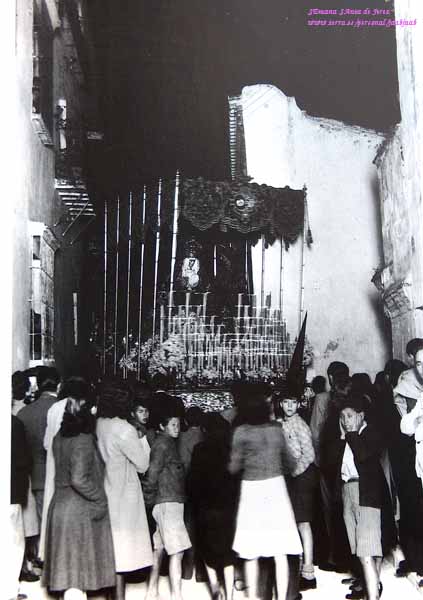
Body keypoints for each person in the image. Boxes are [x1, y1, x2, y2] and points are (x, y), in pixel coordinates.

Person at [42, 377, 116, 599]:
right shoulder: (83, 439)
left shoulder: (59, 437)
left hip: (60, 507)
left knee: (70, 579)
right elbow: (79, 479)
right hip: (77, 512)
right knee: (76, 579)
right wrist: (100, 499)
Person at [228, 386, 302, 600]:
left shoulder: (241, 432)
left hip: (252, 490)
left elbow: (233, 468)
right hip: (276, 490)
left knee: (251, 552)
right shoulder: (276, 429)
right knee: (280, 551)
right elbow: (290, 462)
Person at [322, 394, 386, 600]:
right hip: (348, 492)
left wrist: (351, 434)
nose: (345, 420)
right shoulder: (346, 436)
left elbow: (364, 456)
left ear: (361, 415)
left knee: (368, 549)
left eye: (349, 415)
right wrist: (343, 436)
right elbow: (331, 462)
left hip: (367, 495)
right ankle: (370, 589)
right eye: (342, 416)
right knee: (359, 548)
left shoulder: (370, 433)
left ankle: (373, 595)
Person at [96, 380, 153, 600]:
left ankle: (111, 594)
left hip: (105, 488)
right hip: (124, 494)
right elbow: (143, 464)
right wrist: (143, 440)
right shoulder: (126, 429)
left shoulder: (99, 423)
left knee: (111, 546)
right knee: (123, 552)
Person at [188, 413, 238, 600]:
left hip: (206, 509)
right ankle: (230, 595)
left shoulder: (199, 449)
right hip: (227, 507)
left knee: (207, 550)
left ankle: (216, 589)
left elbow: (192, 482)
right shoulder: (231, 450)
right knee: (228, 552)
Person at [144, 410, 192, 600]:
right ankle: (176, 596)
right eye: (173, 424)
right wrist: (149, 499)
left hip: (165, 501)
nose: (177, 429)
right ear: (162, 426)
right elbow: (152, 474)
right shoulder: (163, 444)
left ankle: (151, 591)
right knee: (178, 551)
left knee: (160, 548)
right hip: (168, 501)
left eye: (178, 425)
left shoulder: (165, 443)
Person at [278, 394, 318, 591]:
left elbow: (309, 454)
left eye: (293, 402)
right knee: (296, 523)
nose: (290, 406)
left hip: (302, 476)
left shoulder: (300, 424)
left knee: (303, 523)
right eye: (286, 402)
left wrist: (294, 473)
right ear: (281, 403)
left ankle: (308, 572)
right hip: (293, 477)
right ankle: (299, 568)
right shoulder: (282, 423)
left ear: (299, 404)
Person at [8, 413, 31, 600]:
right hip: (11, 491)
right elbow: (23, 460)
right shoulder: (14, 424)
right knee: (14, 541)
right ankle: (9, 589)